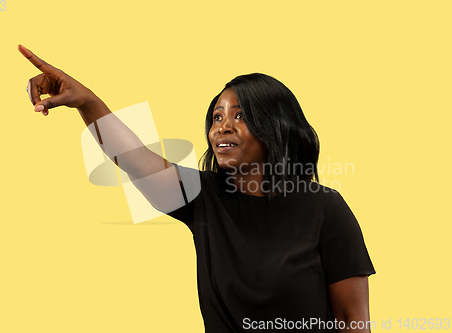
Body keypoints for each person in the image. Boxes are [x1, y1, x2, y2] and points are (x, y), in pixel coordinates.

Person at [19, 44, 375, 332]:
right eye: (217, 117)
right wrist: (88, 101)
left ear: (275, 126)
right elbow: (134, 159)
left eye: (240, 115)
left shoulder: (325, 208)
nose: (223, 126)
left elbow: (352, 321)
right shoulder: (204, 197)